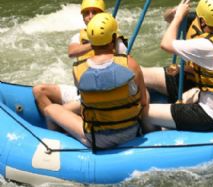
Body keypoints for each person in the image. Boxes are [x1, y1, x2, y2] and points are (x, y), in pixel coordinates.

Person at [142, 0, 213, 132]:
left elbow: (165, 44)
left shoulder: (206, 45)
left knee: (144, 112)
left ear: (202, 21)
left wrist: (178, 16)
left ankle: (157, 141)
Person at [40, 13, 147, 148]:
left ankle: (60, 148)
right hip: (131, 133)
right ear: (114, 37)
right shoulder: (130, 63)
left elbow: (85, 101)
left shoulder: (78, 69)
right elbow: (143, 101)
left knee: (51, 109)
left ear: (90, 40)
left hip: (98, 139)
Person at [33, 0, 128, 127]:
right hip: (80, 91)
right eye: (86, 13)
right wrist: (97, 42)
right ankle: (64, 127)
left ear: (103, 15)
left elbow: (125, 65)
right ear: (83, 17)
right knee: (39, 90)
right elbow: (72, 52)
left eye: (95, 12)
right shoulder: (78, 36)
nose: (90, 16)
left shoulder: (115, 39)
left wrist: (104, 39)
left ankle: (65, 125)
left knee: (53, 112)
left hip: (100, 94)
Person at [142, 0, 213, 102]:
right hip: (188, 75)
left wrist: (184, 69)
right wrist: (176, 12)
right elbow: (167, 18)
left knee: (139, 73)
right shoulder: (195, 19)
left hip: (198, 83)